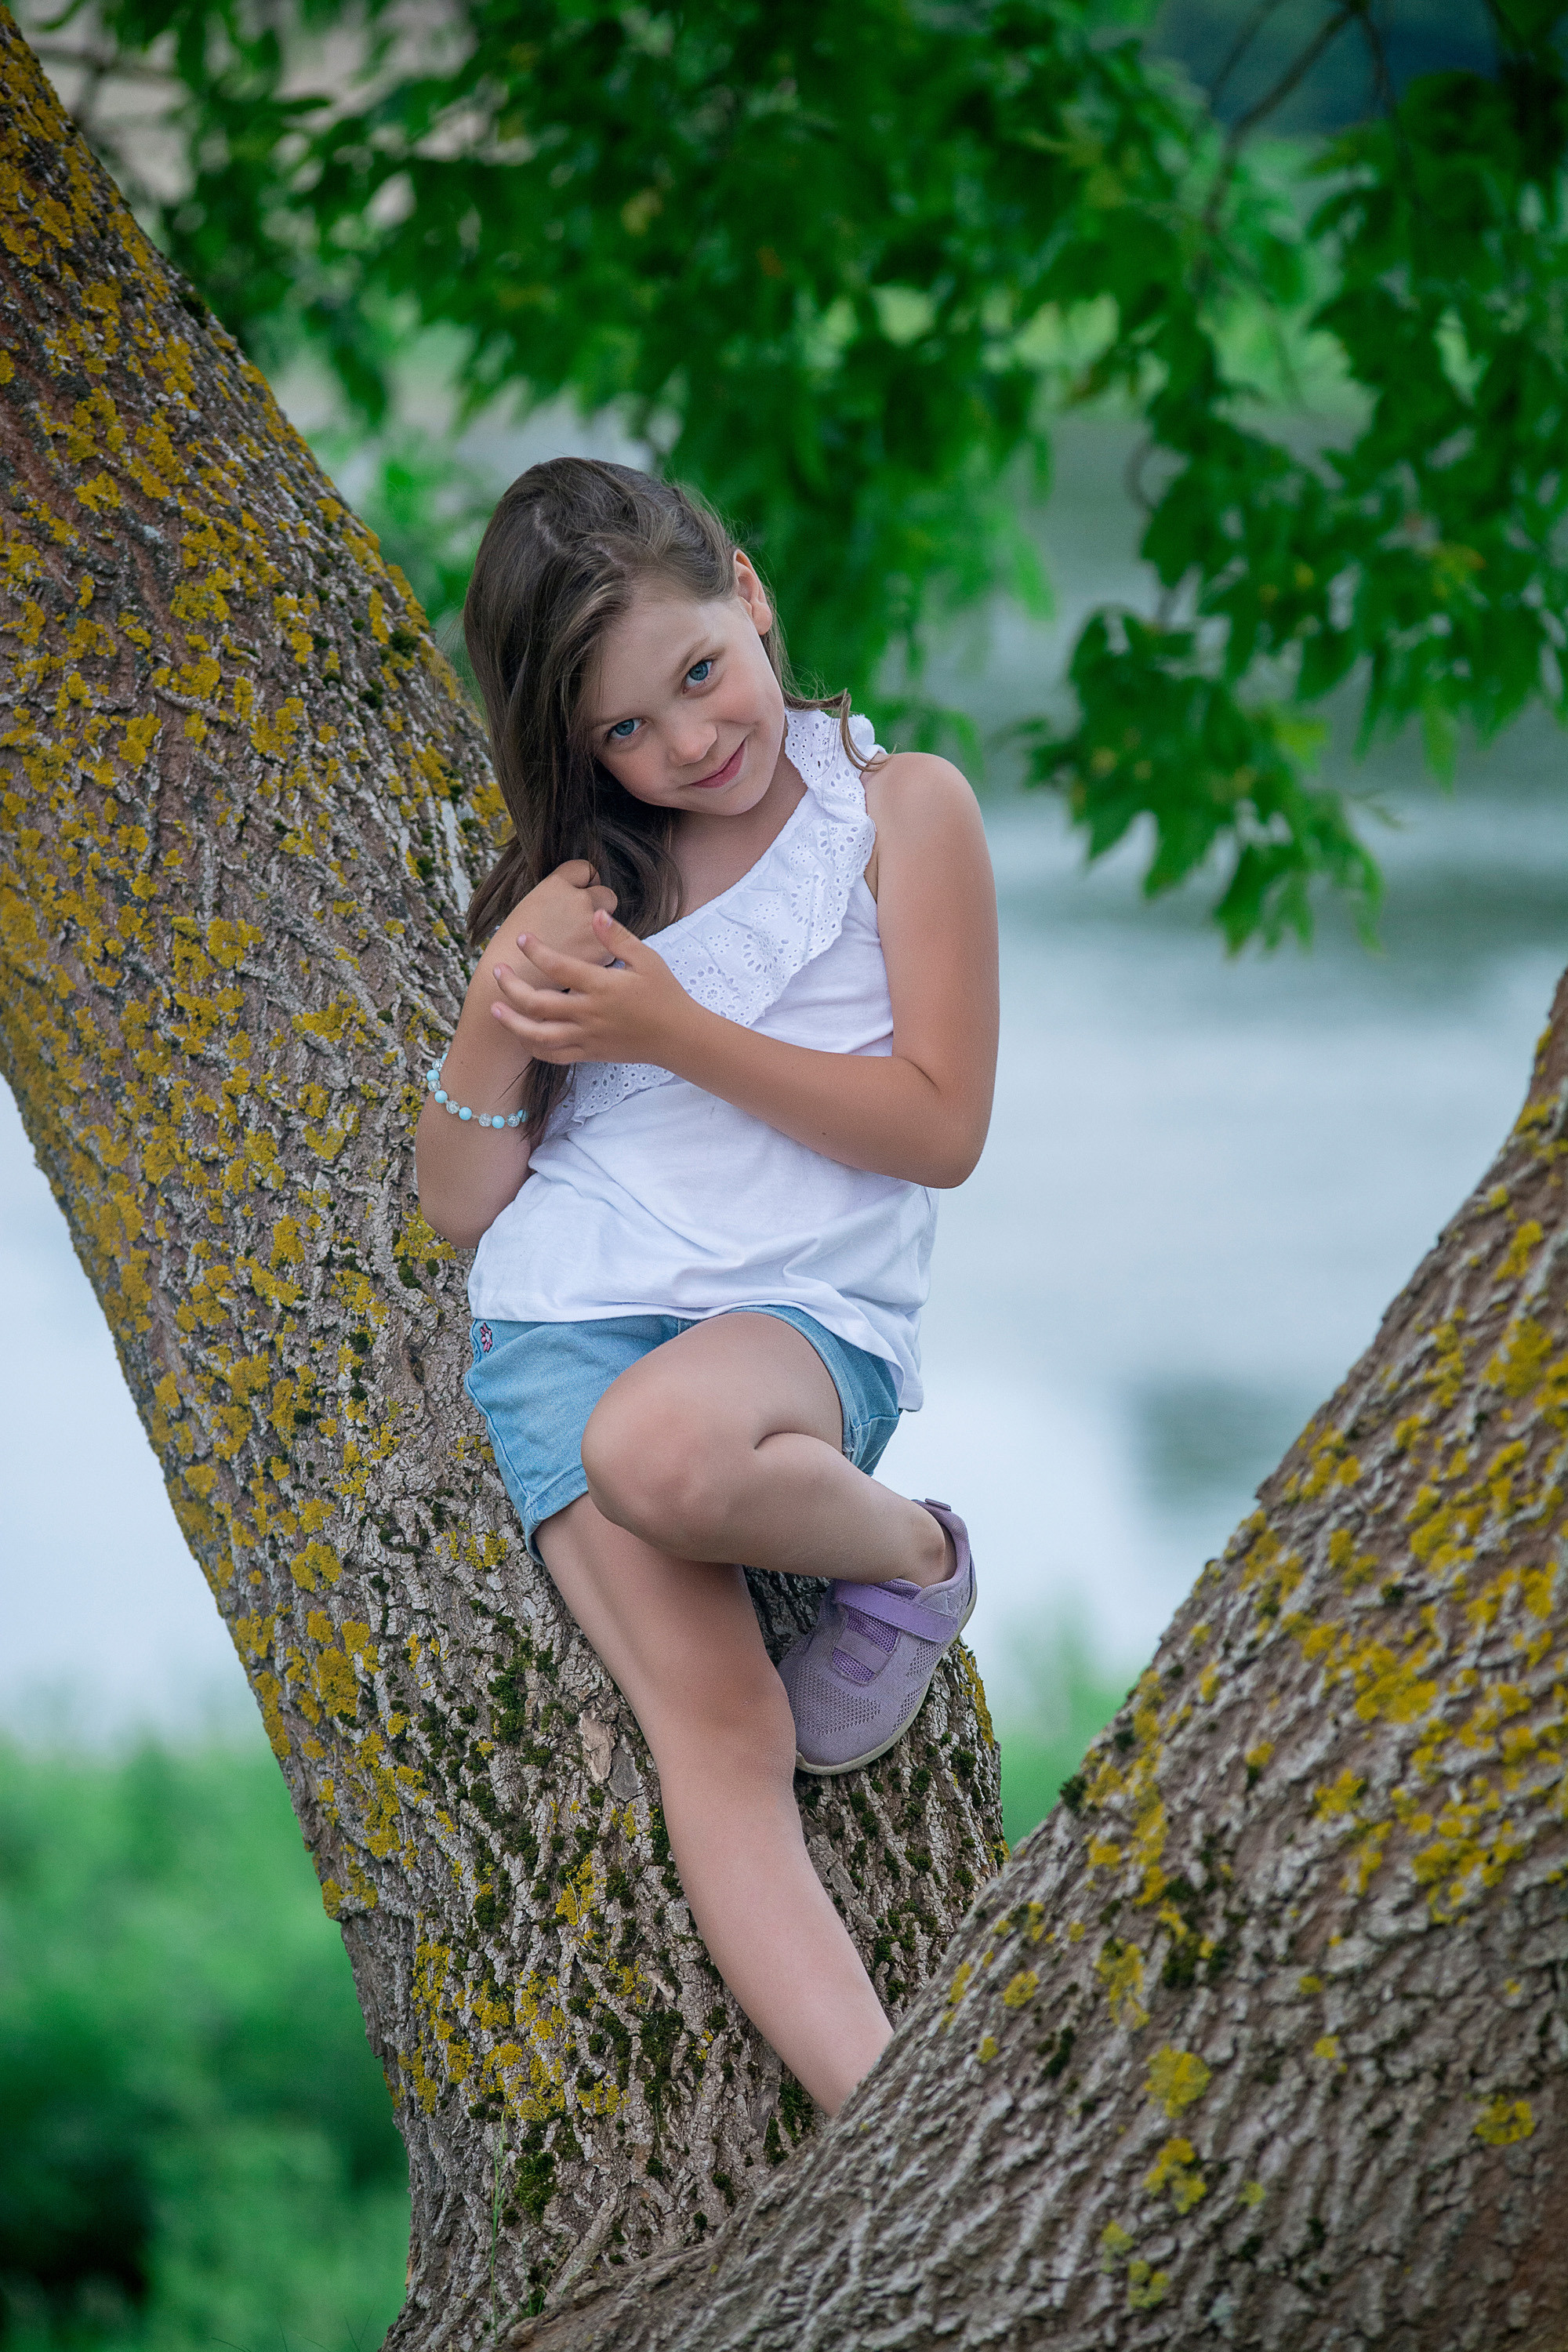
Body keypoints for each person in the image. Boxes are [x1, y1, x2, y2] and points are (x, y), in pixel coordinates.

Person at [416, 459, 999, 2116]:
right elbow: (459, 1202)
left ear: (746, 590)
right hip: (563, 1320)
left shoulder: (900, 814)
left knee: (659, 1452)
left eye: (698, 672)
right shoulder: (595, 886)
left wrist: (674, 1032)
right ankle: (894, 2144)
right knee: (727, 1742)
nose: (687, 743)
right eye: (626, 727)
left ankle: (917, 1555)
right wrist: (497, 1001)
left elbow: (941, 1127)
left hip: (798, 1324)